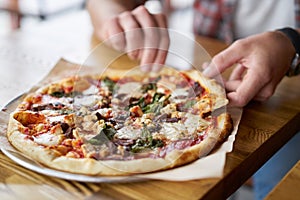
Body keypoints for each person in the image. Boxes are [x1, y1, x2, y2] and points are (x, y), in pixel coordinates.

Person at [87, 0, 300, 199]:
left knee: (280, 181)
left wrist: (291, 42)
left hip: (289, 98)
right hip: (204, 73)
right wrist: (117, 21)